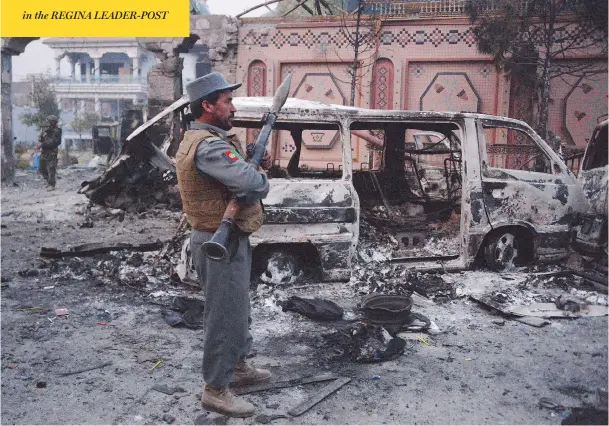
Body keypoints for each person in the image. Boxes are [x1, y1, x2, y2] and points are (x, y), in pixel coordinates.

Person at [175, 72, 272, 418]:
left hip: (228, 234)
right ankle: (216, 389)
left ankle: (239, 367)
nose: (233, 106)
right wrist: (258, 174)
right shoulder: (210, 145)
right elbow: (252, 185)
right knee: (223, 315)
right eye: (227, 101)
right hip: (219, 240)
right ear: (208, 105)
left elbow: (239, 179)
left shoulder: (205, 138)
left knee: (238, 305)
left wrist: (254, 167)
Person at [37, 115, 62, 191]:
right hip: (44, 152)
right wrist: (41, 132)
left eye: (48, 121)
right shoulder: (45, 130)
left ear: (52, 122)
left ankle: (52, 184)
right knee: (41, 168)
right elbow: (40, 139)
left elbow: (54, 142)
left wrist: (42, 144)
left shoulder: (57, 130)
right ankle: (48, 181)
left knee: (51, 168)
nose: (47, 122)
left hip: (52, 152)